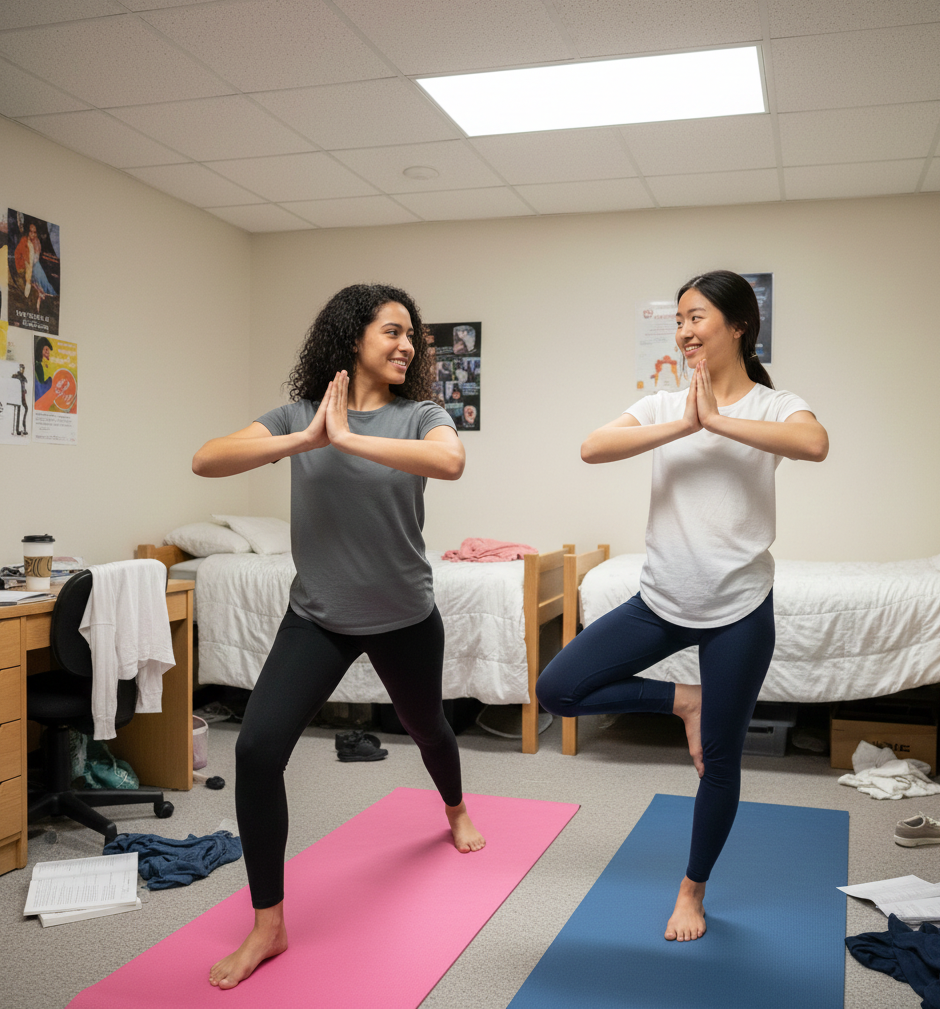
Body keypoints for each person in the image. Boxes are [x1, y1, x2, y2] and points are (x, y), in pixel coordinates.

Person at [192, 283, 485, 990]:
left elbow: (451, 462)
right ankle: (269, 924)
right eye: (392, 331)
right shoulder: (301, 414)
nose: (407, 344)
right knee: (257, 749)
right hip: (318, 615)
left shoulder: (421, 414)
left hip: (404, 614)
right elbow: (206, 459)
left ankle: (455, 808)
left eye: (411, 335)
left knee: (427, 726)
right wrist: (309, 439)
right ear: (353, 336)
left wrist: (351, 439)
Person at [536, 270, 828, 943]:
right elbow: (592, 447)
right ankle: (684, 701)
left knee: (720, 762)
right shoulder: (664, 405)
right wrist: (685, 424)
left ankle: (692, 889)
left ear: (738, 326)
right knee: (558, 689)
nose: (684, 331)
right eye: (679, 320)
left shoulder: (774, 405)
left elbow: (815, 444)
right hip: (662, 601)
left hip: (739, 610)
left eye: (696, 317)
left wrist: (718, 422)